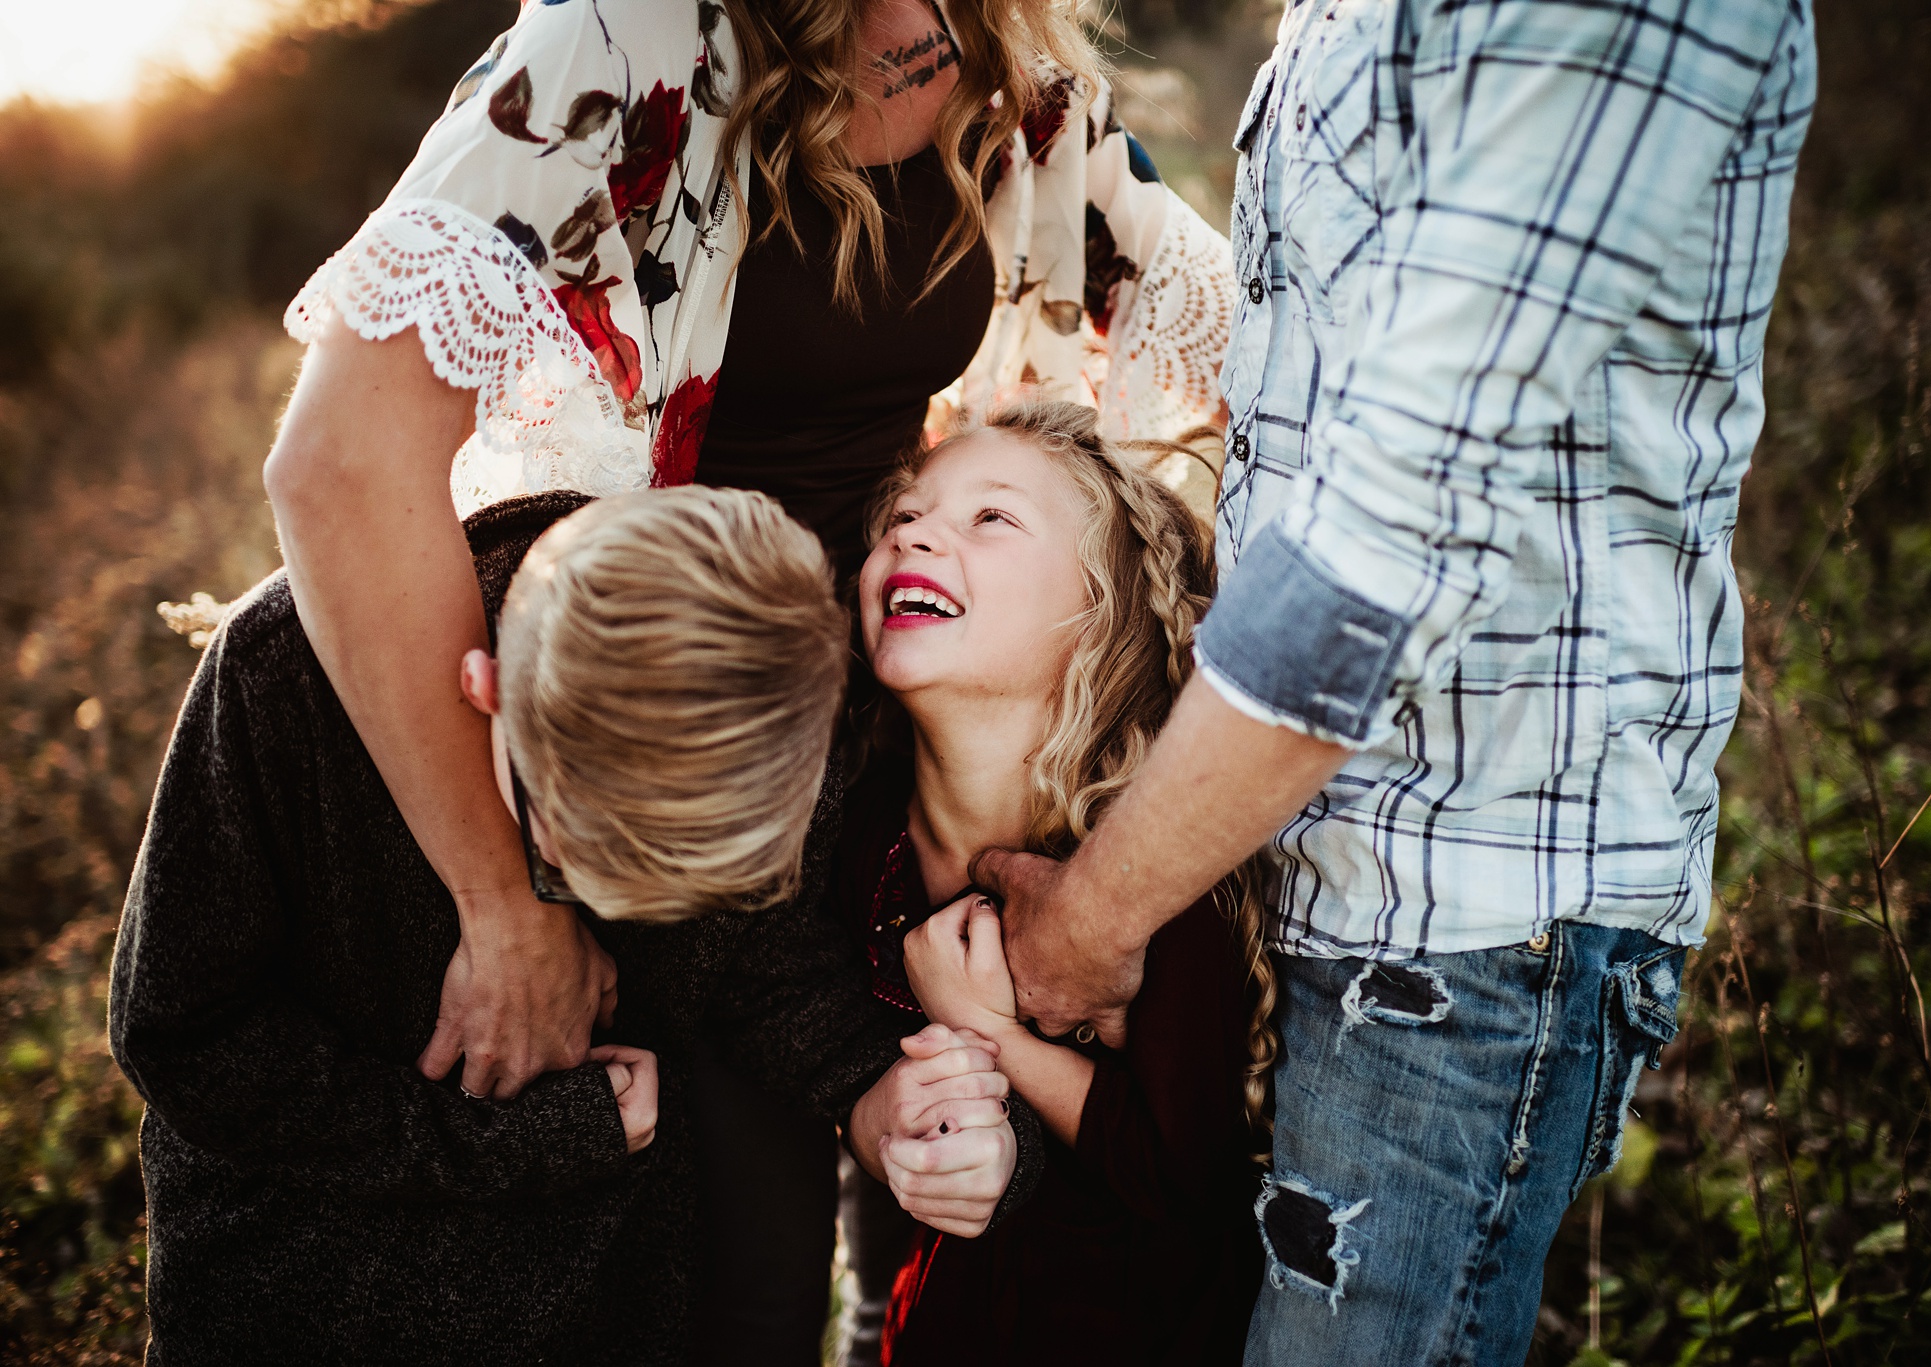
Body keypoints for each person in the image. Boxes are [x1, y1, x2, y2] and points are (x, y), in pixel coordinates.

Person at [264, 1, 1232, 1353]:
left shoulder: (1006, 50)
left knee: (945, 1208)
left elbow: (1242, 351)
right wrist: (505, 900)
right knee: (736, 1277)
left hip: (896, 723)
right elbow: (336, 465)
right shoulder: (626, 39)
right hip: (672, 731)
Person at [974, 3, 1820, 1363]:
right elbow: (1310, 359)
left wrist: (1098, 911)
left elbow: (1396, 533)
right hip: (1293, 870)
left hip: (1468, 928)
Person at [109, 487, 1022, 1366]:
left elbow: (764, 970)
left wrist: (883, 1095)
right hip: (296, 1305)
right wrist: (531, 1137)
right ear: (486, 692)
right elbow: (182, 1035)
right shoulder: (280, 674)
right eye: (568, 864)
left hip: (599, 1314)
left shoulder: (770, 715)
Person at [827, 402, 1266, 1365]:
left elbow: (1182, 1175)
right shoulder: (862, 837)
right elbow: (816, 1044)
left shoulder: (1150, 868)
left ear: (1099, 612)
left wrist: (988, 1031)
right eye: (902, 515)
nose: (912, 530)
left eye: (992, 518)